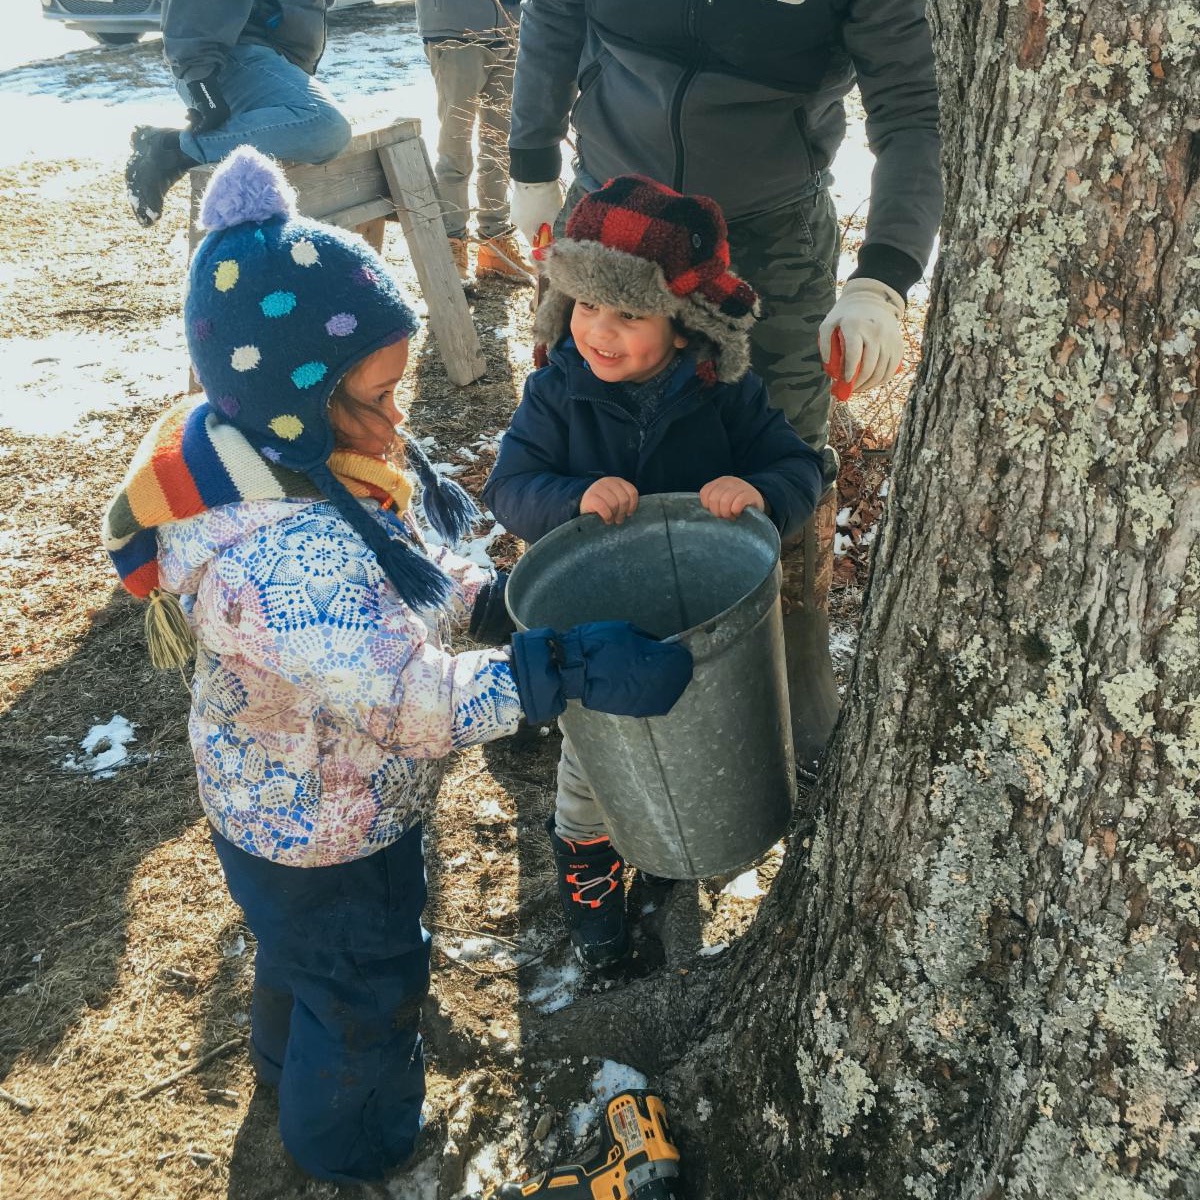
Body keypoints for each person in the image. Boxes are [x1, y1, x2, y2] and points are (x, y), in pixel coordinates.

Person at [101, 148, 692, 1183]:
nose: (400, 416)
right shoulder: (286, 556)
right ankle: (349, 1141)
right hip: (330, 829)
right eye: (379, 393)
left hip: (289, 809)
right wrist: (562, 666)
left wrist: (490, 602)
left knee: (307, 965)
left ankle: (289, 1063)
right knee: (368, 985)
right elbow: (415, 705)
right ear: (297, 400)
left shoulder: (328, 469)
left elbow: (414, 575)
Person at [504, 0, 943, 768]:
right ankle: (563, 657)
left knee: (781, 449)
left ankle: (788, 686)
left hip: (767, 231)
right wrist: (532, 158)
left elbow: (908, 109)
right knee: (576, 423)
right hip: (614, 217)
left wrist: (884, 276)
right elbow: (554, 17)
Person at [481, 175, 824, 971]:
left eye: (630, 314)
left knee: (690, 752)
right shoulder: (556, 390)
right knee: (591, 775)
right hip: (591, 646)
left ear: (682, 325)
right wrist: (571, 501)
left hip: (698, 633)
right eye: (587, 307)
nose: (601, 331)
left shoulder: (724, 397)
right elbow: (509, 487)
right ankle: (594, 895)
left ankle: (670, 858)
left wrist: (761, 493)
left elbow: (795, 465)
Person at [125, 0, 352, 228]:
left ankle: (176, 148)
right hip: (228, 57)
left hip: (271, 60)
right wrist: (199, 74)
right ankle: (170, 149)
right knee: (325, 127)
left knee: (320, 127)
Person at [416, 0, 533, 283]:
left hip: (511, 28)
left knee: (500, 145)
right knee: (455, 145)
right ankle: (452, 242)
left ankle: (495, 243)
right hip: (455, 31)